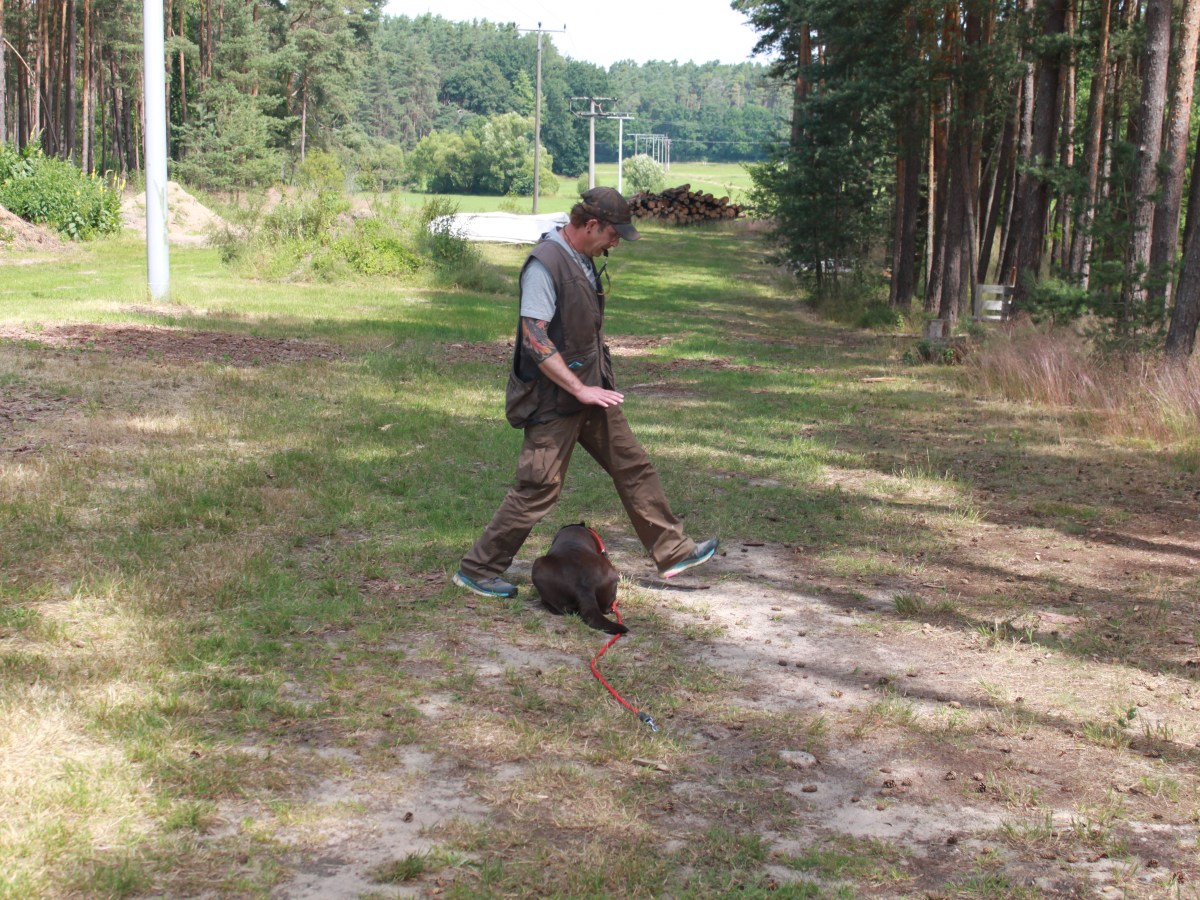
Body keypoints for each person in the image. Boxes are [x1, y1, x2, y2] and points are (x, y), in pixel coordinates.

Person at [453, 187, 719, 599]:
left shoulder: (584, 258)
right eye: (614, 234)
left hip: (593, 391)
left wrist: (592, 387)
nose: (616, 243)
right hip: (554, 400)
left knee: (633, 465)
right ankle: (478, 569)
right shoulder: (545, 265)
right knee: (538, 488)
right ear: (590, 225)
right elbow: (534, 340)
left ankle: (674, 551)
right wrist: (578, 387)